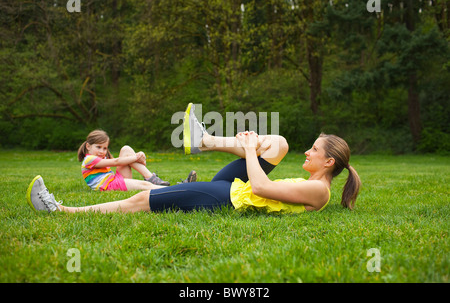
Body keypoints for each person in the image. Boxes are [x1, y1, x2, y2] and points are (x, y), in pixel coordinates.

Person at [26, 103, 361, 214]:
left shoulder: (320, 192)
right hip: (233, 188)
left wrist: (248, 149)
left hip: (228, 198)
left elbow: (260, 189)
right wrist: (251, 146)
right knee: (280, 144)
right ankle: (205, 140)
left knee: (144, 198)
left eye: (315, 150)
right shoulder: (315, 186)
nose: (309, 151)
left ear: (329, 162)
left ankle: (62, 211)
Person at [77, 129, 196, 191]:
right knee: (144, 185)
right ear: (88, 146)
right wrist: (136, 157)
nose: (102, 151)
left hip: (114, 180)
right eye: (98, 147)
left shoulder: (99, 157)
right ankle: (181, 189)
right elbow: (116, 162)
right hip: (109, 186)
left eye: (105, 148)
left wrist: (139, 157)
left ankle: (152, 178)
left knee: (126, 149)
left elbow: (122, 160)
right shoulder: (89, 160)